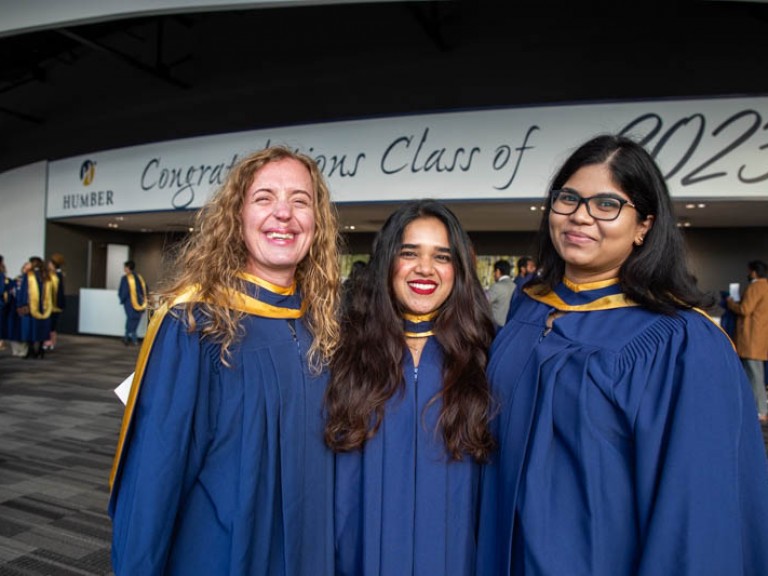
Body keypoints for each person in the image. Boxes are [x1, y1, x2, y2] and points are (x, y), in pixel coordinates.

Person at [476, 134, 768, 576]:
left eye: (607, 205)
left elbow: (697, 515)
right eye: (568, 198)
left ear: (644, 225)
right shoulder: (527, 308)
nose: (580, 216)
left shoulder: (680, 340)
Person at [108, 145, 342, 575]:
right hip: (224, 553)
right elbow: (154, 475)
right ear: (236, 216)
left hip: (309, 552)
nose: (284, 214)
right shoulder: (194, 323)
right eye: (264, 198)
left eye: (300, 201)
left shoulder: (323, 325)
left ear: (317, 223)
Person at [325, 199, 496, 576]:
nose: (425, 268)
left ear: (459, 270)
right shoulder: (343, 357)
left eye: (442, 257)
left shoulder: (487, 361)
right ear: (388, 263)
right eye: (409, 253)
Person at [726, 260, 768, 423]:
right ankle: (760, 409)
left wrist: (730, 302)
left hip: (750, 337)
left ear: (754, 272)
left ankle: (760, 410)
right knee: (757, 374)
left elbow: (745, 309)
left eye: (749, 271)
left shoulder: (755, 287)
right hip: (760, 336)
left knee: (753, 374)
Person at [17, 256, 53, 359]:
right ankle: (40, 349)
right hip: (44, 307)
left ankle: (31, 350)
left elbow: (23, 291)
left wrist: (20, 304)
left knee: (29, 329)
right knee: (42, 328)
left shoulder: (28, 276)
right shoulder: (46, 276)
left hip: (30, 307)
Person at [117, 260, 148, 345]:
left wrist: (122, 299)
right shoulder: (139, 277)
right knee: (135, 319)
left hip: (129, 303)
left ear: (128, 268)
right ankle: (131, 337)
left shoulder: (125, 278)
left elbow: (123, 291)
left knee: (130, 318)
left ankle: (128, 336)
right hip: (140, 302)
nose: (124, 269)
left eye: (125, 267)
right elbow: (145, 288)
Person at [43, 252, 66, 351]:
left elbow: (58, 291)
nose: (48, 265)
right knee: (50, 324)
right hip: (50, 304)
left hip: (54, 304)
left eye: (50, 264)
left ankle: (50, 342)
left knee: (52, 324)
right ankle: (49, 341)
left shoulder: (57, 276)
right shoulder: (55, 275)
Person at [486, 258, 515, 329]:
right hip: (509, 326)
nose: (493, 275)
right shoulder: (515, 286)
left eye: (494, 272)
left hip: (495, 326)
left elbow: (482, 303)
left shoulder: (497, 286)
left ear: (498, 271)